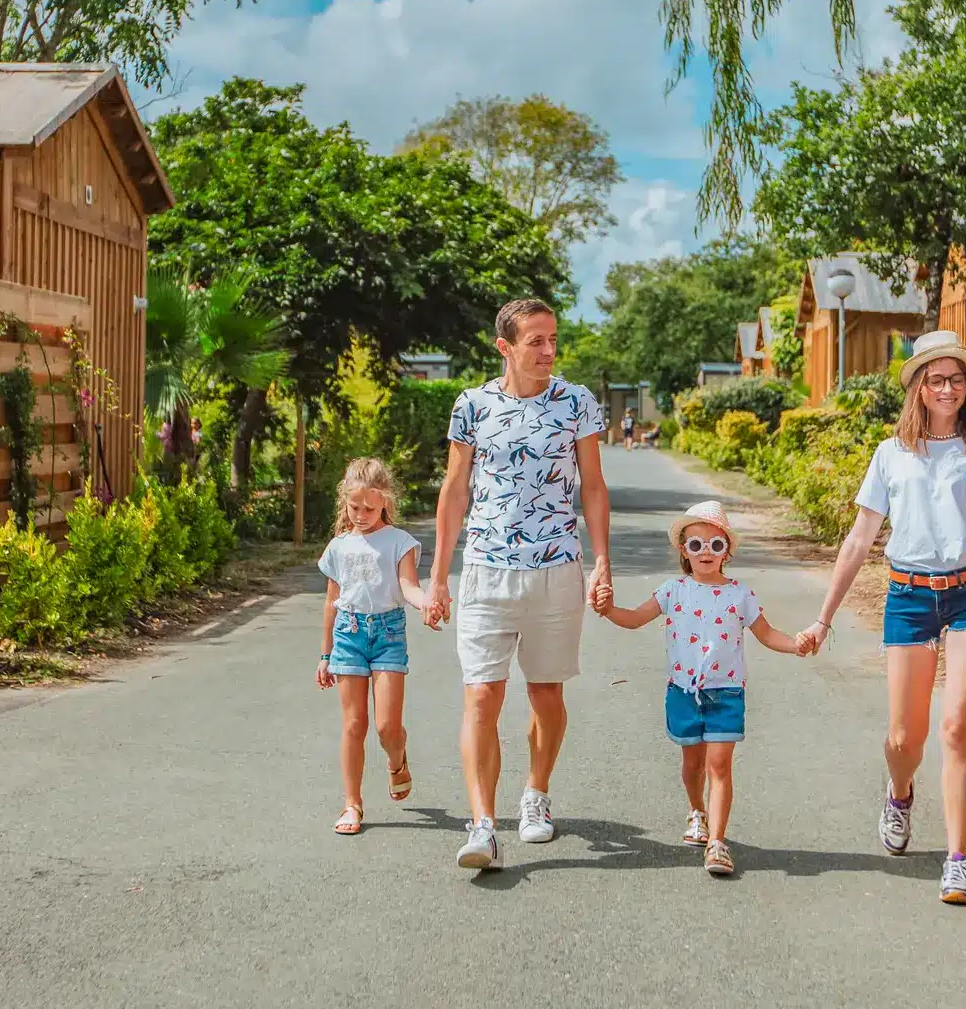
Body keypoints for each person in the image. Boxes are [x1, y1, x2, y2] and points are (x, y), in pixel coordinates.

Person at [797, 330, 966, 905]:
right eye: (936, 379)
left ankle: (958, 859)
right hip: (907, 596)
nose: (948, 388)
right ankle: (900, 792)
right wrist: (824, 618)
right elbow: (859, 541)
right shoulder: (891, 455)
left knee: (957, 728)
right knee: (906, 738)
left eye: (957, 379)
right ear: (920, 389)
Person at [428, 298, 612, 871]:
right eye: (536, 341)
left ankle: (536, 792)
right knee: (482, 694)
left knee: (546, 695)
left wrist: (602, 561)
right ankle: (482, 825)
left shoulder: (577, 402)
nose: (549, 351)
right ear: (504, 347)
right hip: (486, 568)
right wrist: (438, 576)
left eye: (553, 339)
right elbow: (455, 492)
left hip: (557, 568)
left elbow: (595, 488)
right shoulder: (472, 406)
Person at [596, 499, 805, 877]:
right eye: (696, 545)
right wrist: (610, 610)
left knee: (719, 764)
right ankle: (697, 811)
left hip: (726, 693)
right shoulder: (672, 591)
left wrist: (796, 644)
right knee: (692, 763)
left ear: (727, 551)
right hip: (683, 692)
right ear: (683, 551)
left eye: (715, 545)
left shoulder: (741, 595)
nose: (705, 553)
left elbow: (767, 633)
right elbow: (635, 618)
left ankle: (718, 843)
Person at [316, 458, 430, 836]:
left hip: (388, 635)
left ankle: (397, 760)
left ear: (385, 502)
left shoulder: (399, 542)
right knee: (353, 725)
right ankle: (352, 804)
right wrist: (325, 653)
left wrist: (426, 602)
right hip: (348, 635)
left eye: (369, 508)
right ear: (344, 503)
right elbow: (332, 600)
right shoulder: (338, 546)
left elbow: (408, 586)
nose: (361, 515)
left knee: (386, 726)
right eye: (354, 507)